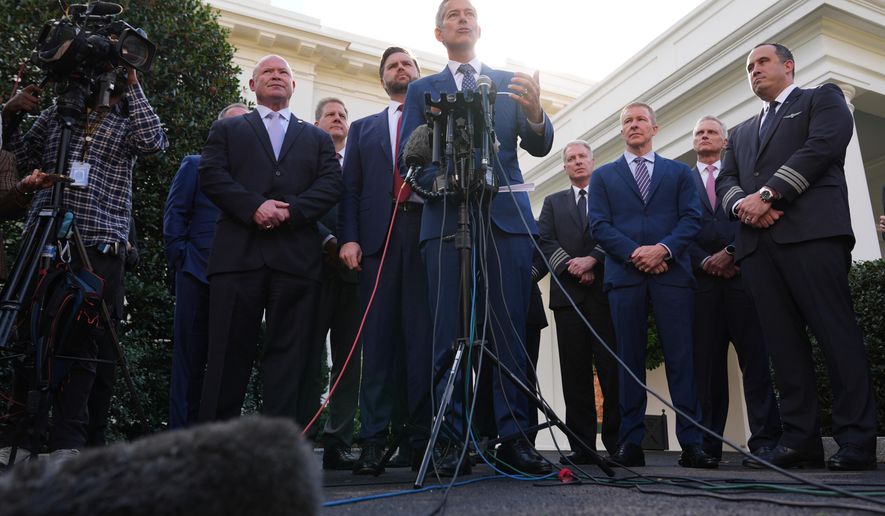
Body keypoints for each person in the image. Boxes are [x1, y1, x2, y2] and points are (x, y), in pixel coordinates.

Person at [398, 0, 554, 476]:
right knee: (447, 334)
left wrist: (534, 112)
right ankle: (452, 441)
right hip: (445, 221)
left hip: (505, 221)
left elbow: (541, 143)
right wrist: (439, 175)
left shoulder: (510, 82)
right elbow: (411, 160)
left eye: (468, 13)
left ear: (479, 28)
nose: (462, 17)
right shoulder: (422, 89)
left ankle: (514, 439)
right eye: (452, 14)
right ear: (439, 33)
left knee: (508, 332)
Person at [717, 43, 877, 470]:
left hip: (811, 236)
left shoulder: (820, 98)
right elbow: (726, 182)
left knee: (835, 336)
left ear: (788, 66)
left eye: (762, 62)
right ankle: (800, 440)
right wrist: (743, 206)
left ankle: (857, 439)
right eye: (749, 67)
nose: (754, 71)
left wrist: (769, 195)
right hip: (757, 247)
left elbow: (824, 145)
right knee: (783, 348)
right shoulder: (740, 132)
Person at [2, 67, 167, 454]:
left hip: (99, 244)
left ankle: (68, 442)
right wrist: (10, 114)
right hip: (44, 236)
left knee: (83, 345)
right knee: (31, 337)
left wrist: (133, 84)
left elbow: (153, 142)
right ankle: (23, 437)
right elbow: (24, 156)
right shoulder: (59, 113)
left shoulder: (128, 117)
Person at [197, 55, 342, 423]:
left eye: (284, 73)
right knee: (227, 358)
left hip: (296, 262)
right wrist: (255, 207)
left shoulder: (317, 138)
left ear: (294, 86)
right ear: (252, 85)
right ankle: (216, 453)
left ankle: (275, 457)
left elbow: (330, 185)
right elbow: (212, 175)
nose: (276, 77)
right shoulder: (228, 130)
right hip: (238, 259)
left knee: (288, 362)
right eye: (267, 72)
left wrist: (290, 212)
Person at [587, 102, 717, 469]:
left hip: (672, 275)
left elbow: (692, 218)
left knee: (682, 360)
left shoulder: (678, 172)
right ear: (621, 131)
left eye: (640, 119)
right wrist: (636, 254)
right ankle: (630, 443)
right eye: (626, 120)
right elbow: (598, 224)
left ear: (654, 128)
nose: (633, 125)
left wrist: (662, 250)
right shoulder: (604, 176)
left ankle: (692, 443)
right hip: (625, 278)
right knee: (628, 361)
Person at [338, 47, 432, 475]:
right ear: (382, 79)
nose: (401, 69)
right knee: (376, 346)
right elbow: (350, 191)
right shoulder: (362, 129)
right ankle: (373, 440)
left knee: (422, 341)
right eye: (393, 65)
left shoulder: (438, 123)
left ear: (419, 75)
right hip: (376, 243)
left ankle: (419, 439)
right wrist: (350, 239)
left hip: (424, 236)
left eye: (408, 64)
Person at [686, 116, 781, 463]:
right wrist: (703, 261)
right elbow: (677, 224)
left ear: (725, 141)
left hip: (743, 278)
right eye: (699, 133)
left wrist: (731, 254)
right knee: (707, 372)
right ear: (693, 141)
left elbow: (753, 218)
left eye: (712, 132)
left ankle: (766, 442)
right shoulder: (682, 180)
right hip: (701, 286)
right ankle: (707, 446)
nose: (705, 136)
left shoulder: (740, 176)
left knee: (756, 365)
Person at [164, 102, 248, 429]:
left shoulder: (256, 179)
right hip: (195, 274)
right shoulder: (195, 166)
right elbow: (175, 218)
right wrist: (182, 259)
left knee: (229, 363)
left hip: (240, 281)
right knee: (189, 360)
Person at [538, 140, 620, 461]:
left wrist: (593, 261)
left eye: (581, 156)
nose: (576, 162)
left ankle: (617, 444)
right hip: (568, 300)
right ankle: (582, 447)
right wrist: (572, 267)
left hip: (604, 295)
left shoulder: (610, 198)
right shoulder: (552, 202)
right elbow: (545, 240)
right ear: (564, 167)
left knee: (612, 372)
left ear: (593, 160)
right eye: (570, 158)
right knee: (574, 376)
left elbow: (615, 232)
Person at [299, 97, 362, 470]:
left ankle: (338, 440)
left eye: (343, 115)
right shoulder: (304, 161)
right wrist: (328, 241)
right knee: (308, 357)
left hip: (353, 274)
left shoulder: (357, 165)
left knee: (348, 359)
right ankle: (303, 435)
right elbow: (298, 206)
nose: (338, 119)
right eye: (331, 115)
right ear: (317, 123)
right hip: (313, 269)